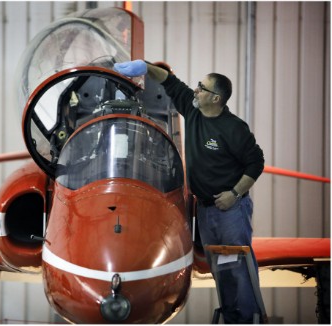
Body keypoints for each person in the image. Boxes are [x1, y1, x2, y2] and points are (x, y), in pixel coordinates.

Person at [114, 60, 265, 323]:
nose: (195, 91)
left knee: (238, 268)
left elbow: (256, 162)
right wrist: (145, 66)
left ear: (216, 98)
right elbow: (171, 82)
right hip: (206, 210)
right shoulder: (193, 110)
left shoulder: (233, 128)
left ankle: (248, 319)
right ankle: (231, 317)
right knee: (221, 269)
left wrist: (235, 194)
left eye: (201, 88)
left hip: (229, 209)